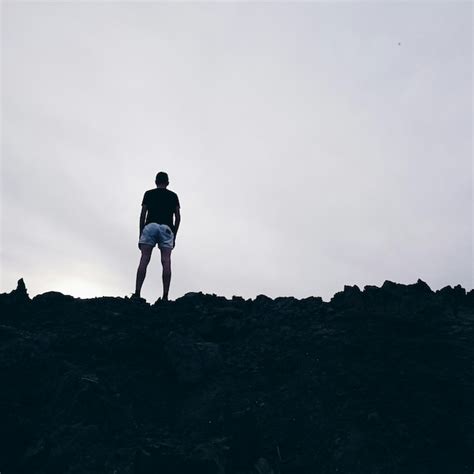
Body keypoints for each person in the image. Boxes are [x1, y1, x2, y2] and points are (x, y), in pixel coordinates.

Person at [131, 172, 180, 303]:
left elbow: (142, 215)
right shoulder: (173, 196)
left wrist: (141, 232)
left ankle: (137, 293)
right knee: (166, 261)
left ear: (155, 181)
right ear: (167, 183)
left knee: (144, 259)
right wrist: (174, 235)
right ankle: (165, 296)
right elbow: (178, 217)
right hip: (166, 228)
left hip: (150, 226)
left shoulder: (148, 194)